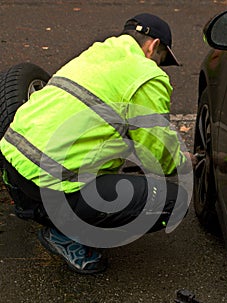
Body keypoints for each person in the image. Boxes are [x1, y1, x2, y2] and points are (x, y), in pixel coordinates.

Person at [0, 13, 196, 274]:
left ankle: (38, 211)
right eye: (162, 58)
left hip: (13, 168)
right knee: (174, 203)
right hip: (52, 186)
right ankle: (68, 236)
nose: (159, 66)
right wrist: (184, 161)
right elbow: (160, 153)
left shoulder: (95, 54)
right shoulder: (147, 74)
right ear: (153, 45)